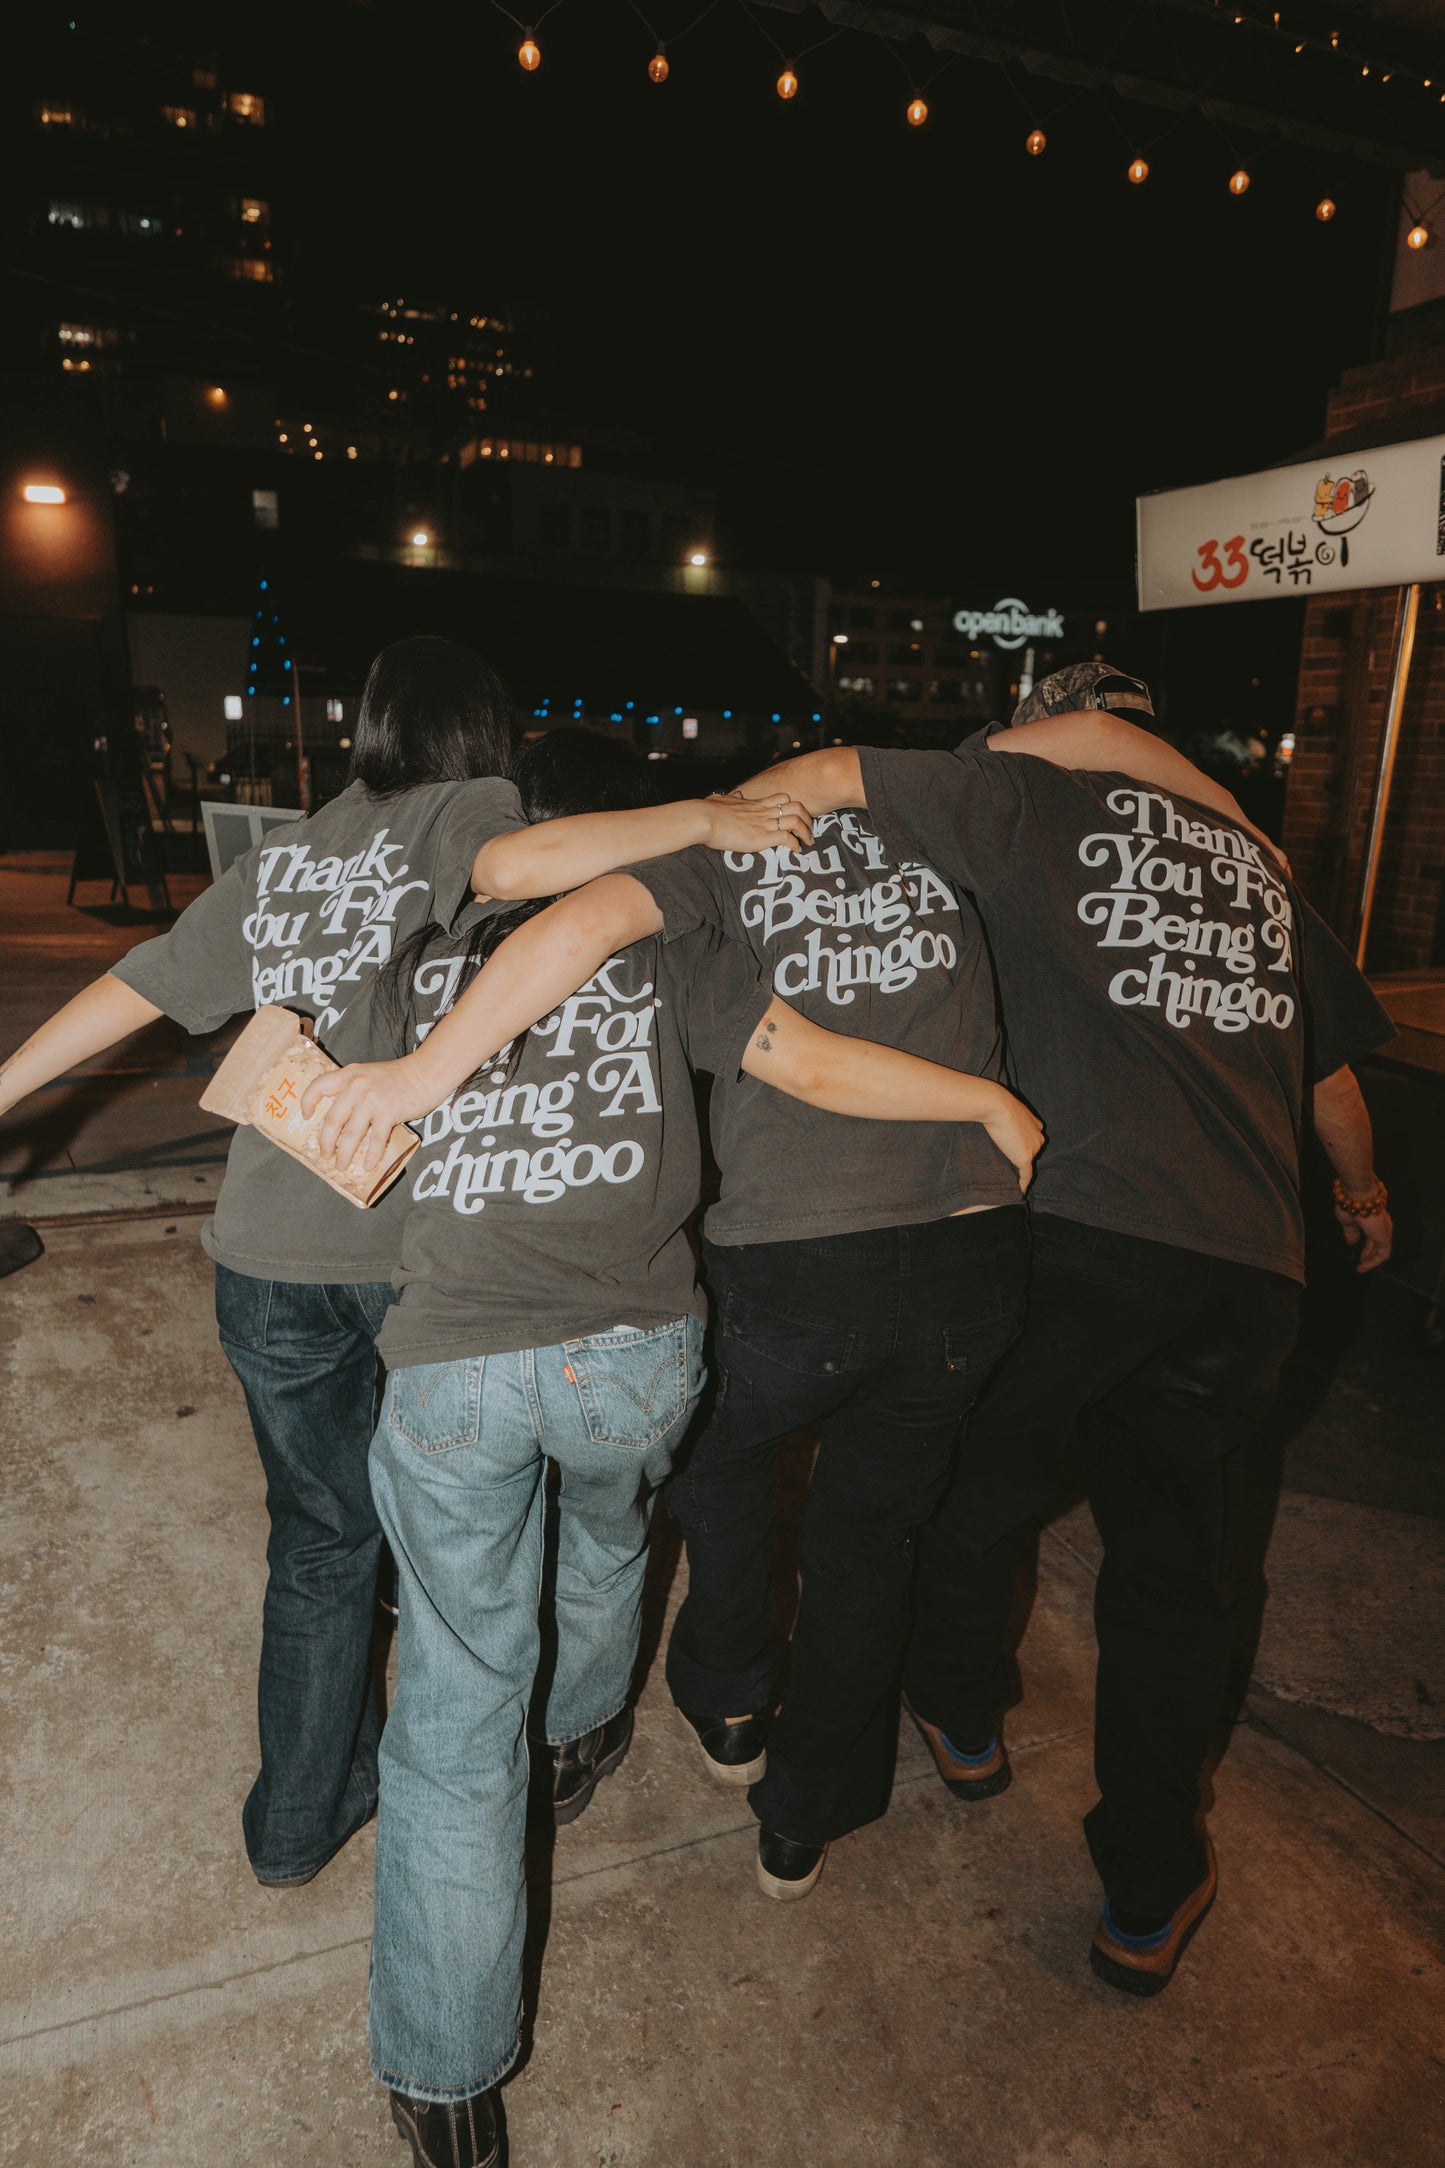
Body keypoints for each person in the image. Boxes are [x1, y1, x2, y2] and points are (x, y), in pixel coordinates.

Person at [297, 703, 1201, 1905]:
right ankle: (803, 1820)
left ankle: (727, 1696)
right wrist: (1232, 815)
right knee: (869, 1536)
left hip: (794, 1259)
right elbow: (1089, 731)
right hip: (971, 1263)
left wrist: (420, 1072)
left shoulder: (720, 847)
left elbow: (576, 922)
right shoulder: (946, 825)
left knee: (710, 1458)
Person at [306, 727, 1044, 2168]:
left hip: (456, 1359)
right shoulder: (674, 944)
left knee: (458, 1716)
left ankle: (448, 2084)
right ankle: (585, 1729)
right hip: (635, 1354)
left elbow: (323, 1130)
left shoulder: (415, 954)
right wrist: (982, 1098)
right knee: (609, 1527)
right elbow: (804, 1059)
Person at [0, 642, 814, 1891]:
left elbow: (139, 986)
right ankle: (497, 1768)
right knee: (464, 1537)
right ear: (483, 738)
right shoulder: (464, 812)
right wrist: (711, 814)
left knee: (319, 1538)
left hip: (260, 1261)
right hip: (404, 1256)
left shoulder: (285, 854)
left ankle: (295, 1814)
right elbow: (536, 863)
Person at [744, 661, 1396, 1995]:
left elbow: (821, 781)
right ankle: (1148, 1886)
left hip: (1071, 1236)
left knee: (972, 1488)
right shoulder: (1255, 861)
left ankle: (966, 1719)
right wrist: (1364, 1195)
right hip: (1244, 1272)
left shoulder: (1019, 804)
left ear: (1046, 726)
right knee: (1179, 1576)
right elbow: (1329, 1081)